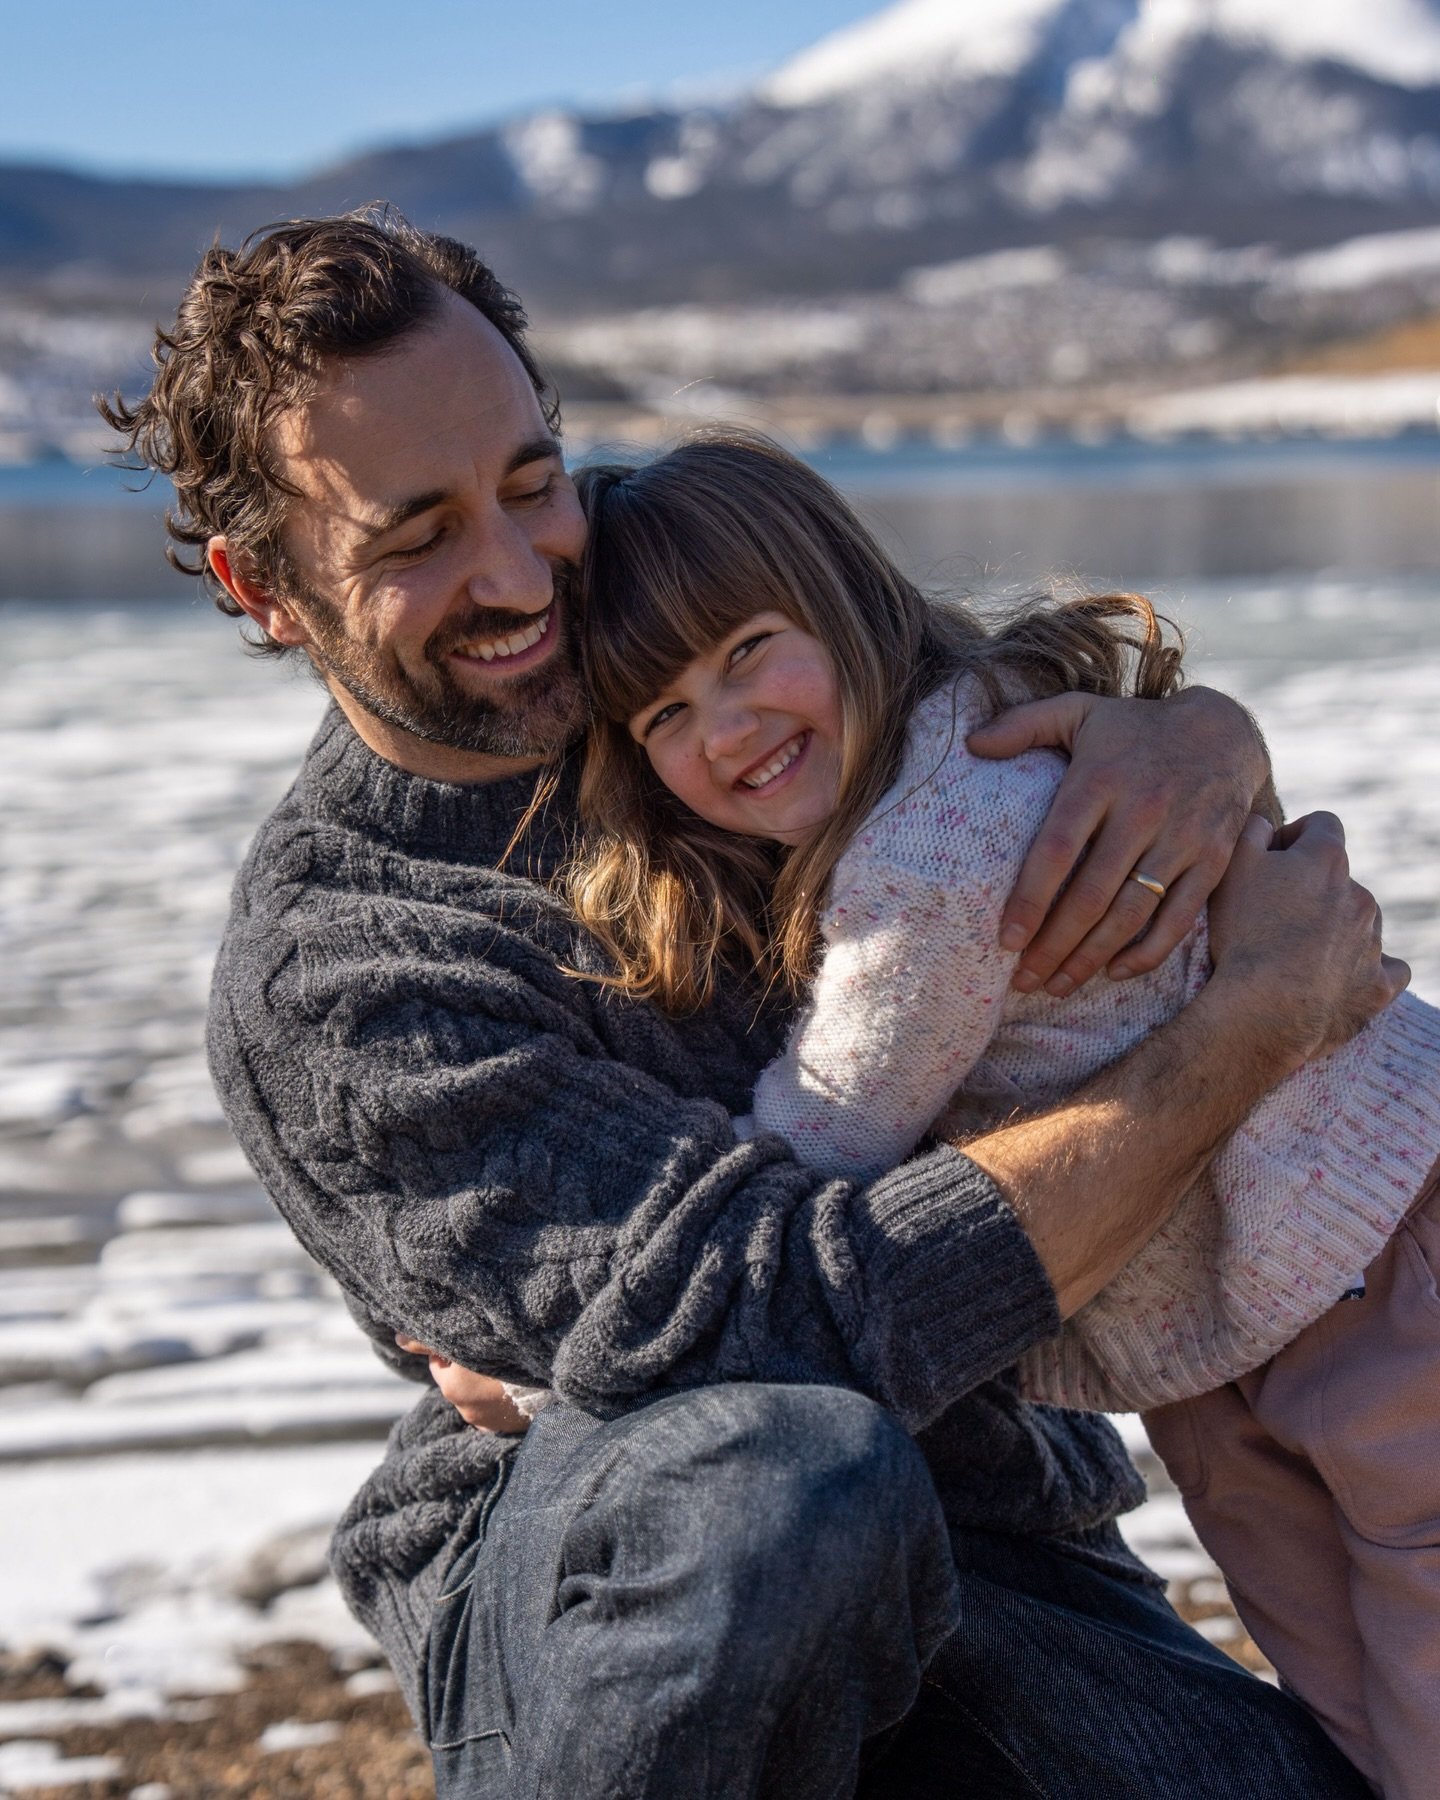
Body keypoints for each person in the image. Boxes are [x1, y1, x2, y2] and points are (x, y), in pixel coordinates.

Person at [100, 207, 1398, 1798]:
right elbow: (784, 1319)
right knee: (783, 1476)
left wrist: (1185, 741)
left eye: (529, 483)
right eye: (413, 538)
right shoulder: (341, 972)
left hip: (995, 1527)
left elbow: (934, 691)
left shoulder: (672, 631)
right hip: (631, 1572)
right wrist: (1244, 1035)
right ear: (267, 588)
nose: (513, 574)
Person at [561, 430, 1440, 1797]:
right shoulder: (899, 793)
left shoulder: (941, 834)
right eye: (662, 715)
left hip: (1378, 1248)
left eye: (747, 650)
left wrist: (600, 1314)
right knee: (1356, 1717)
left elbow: (835, 1126)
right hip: (1241, 1317)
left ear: (847, 600)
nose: (723, 729)